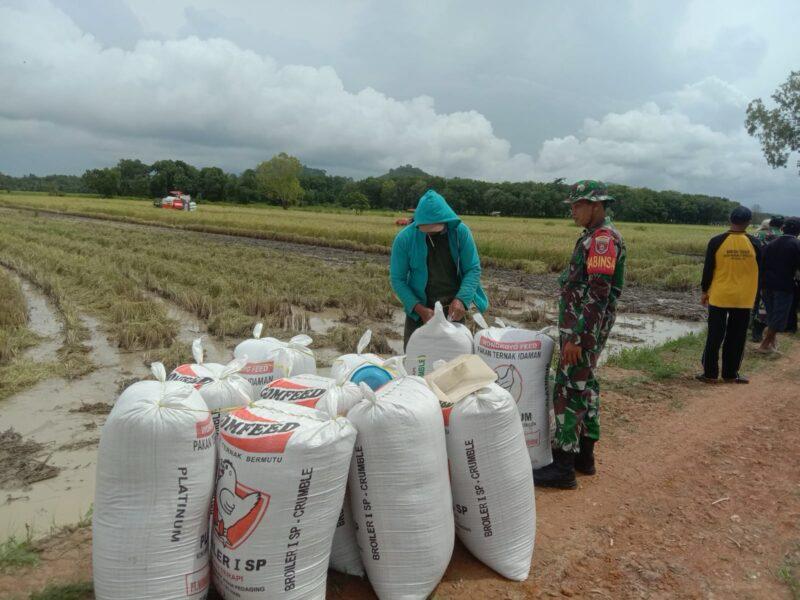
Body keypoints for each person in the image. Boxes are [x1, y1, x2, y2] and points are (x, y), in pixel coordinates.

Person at [532, 180, 626, 490]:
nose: (572, 211)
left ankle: (563, 467)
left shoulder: (602, 241)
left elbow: (598, 294)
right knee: (586, 387)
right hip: (584, 333)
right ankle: (585, 457)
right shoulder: (593, 237)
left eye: (578, 205)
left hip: (582, 334)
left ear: (596, 206)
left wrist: (577, 338)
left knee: (569, 391)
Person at [390, 189, 489, 349]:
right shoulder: (405, 239)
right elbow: (398, 279)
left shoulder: (460, 232)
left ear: (446, 221)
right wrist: (419, 309)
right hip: (420, 311)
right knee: (416, 362)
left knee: (453, 361)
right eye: (425, 230)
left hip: (453, 309)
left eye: (435, 230)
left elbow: (472, 269)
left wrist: (462, 300)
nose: (430, 234)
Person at [697, 206, 760, 384]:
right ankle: (730, 374)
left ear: (729, 219)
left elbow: (708, 269)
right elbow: (760, 269)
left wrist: (704, 291)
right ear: (748, 222)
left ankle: (709, 373)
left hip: (719, 295)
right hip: (745, 297)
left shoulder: (717, 241)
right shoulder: (755, 243)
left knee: (715, 335)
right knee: (737, 336)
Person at [757, 217, 800, 353]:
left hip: (766, 284)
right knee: (779, 316)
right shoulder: (796, 245)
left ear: (783, 228)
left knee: (771, 314)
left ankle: (772, 342)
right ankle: (764, 345)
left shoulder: (771, 243)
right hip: (784, 284)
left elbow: (761, 264)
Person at [751, 217, 784, 342]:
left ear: (770, 224)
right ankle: (761, 329)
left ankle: (751, 326)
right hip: (776, 276)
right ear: (782, 225)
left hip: (757, 272)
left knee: (754, 299)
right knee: (767, 302)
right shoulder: (785, 237)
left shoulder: (758, 234)